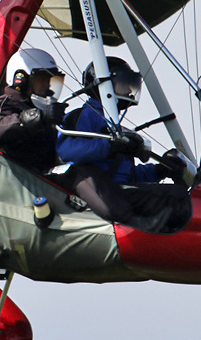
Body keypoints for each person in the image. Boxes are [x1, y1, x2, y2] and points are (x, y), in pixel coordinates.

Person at [56, 57, 193, 235]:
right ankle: (140, 229)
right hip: (99, 189)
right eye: (123, 83)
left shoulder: (116, 127)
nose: (129, 89)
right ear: (103, 84)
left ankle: (171, 235)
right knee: (174, 198)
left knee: (179, 196)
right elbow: (66, 151)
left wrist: (159, 171)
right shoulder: (84, 115)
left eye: (131, 84)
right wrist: (110, 146)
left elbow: (127, 174)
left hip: (119, 189)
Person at [0, 48, 66, 174]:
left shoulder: (42, 109)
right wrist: (38, 118)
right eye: (42, 78)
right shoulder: (5, 102)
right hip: (12, 180)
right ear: (21, 79)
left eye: (49, 80)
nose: (48, 85)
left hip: (41, 181)